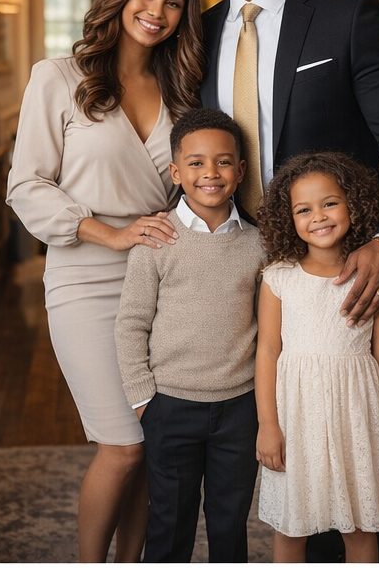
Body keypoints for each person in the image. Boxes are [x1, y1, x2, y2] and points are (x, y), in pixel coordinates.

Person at [201, 0, 379, 561]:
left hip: (340, 267)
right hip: (235, 262)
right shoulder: (202, 30)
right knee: (266, 443)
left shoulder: (346, 16)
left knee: (370, 446)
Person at [6, 0, 204, 562]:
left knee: (152, 440)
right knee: (123, 443)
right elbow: (25, 185)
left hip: (161, 282)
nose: (157, 11)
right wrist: (109, 233)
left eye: (173, 2)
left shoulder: (183, 91)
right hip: (86, 278)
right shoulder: (58, 77)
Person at [115, 108, 265, 563]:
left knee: (229, 519)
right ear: (176, 171)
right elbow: (131, 322)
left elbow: (269, 327)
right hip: (170, 406)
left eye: (223, 162)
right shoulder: (158, 239)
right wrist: (144, 400)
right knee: (170, 520)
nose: (210, 173)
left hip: (240, 407)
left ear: (240, 172)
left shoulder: (258, 244)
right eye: (196, 163)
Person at [256, 151, 379, 563]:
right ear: (289, 219)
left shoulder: (374, 278)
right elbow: (268, 352)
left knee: (360, 527)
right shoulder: (278, 278)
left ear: (353, 204)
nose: (318, 216)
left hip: (356, 418)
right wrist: (268, 425)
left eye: (330, 203)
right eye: (304, 209)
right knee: (292, 526)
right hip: (296, 417)